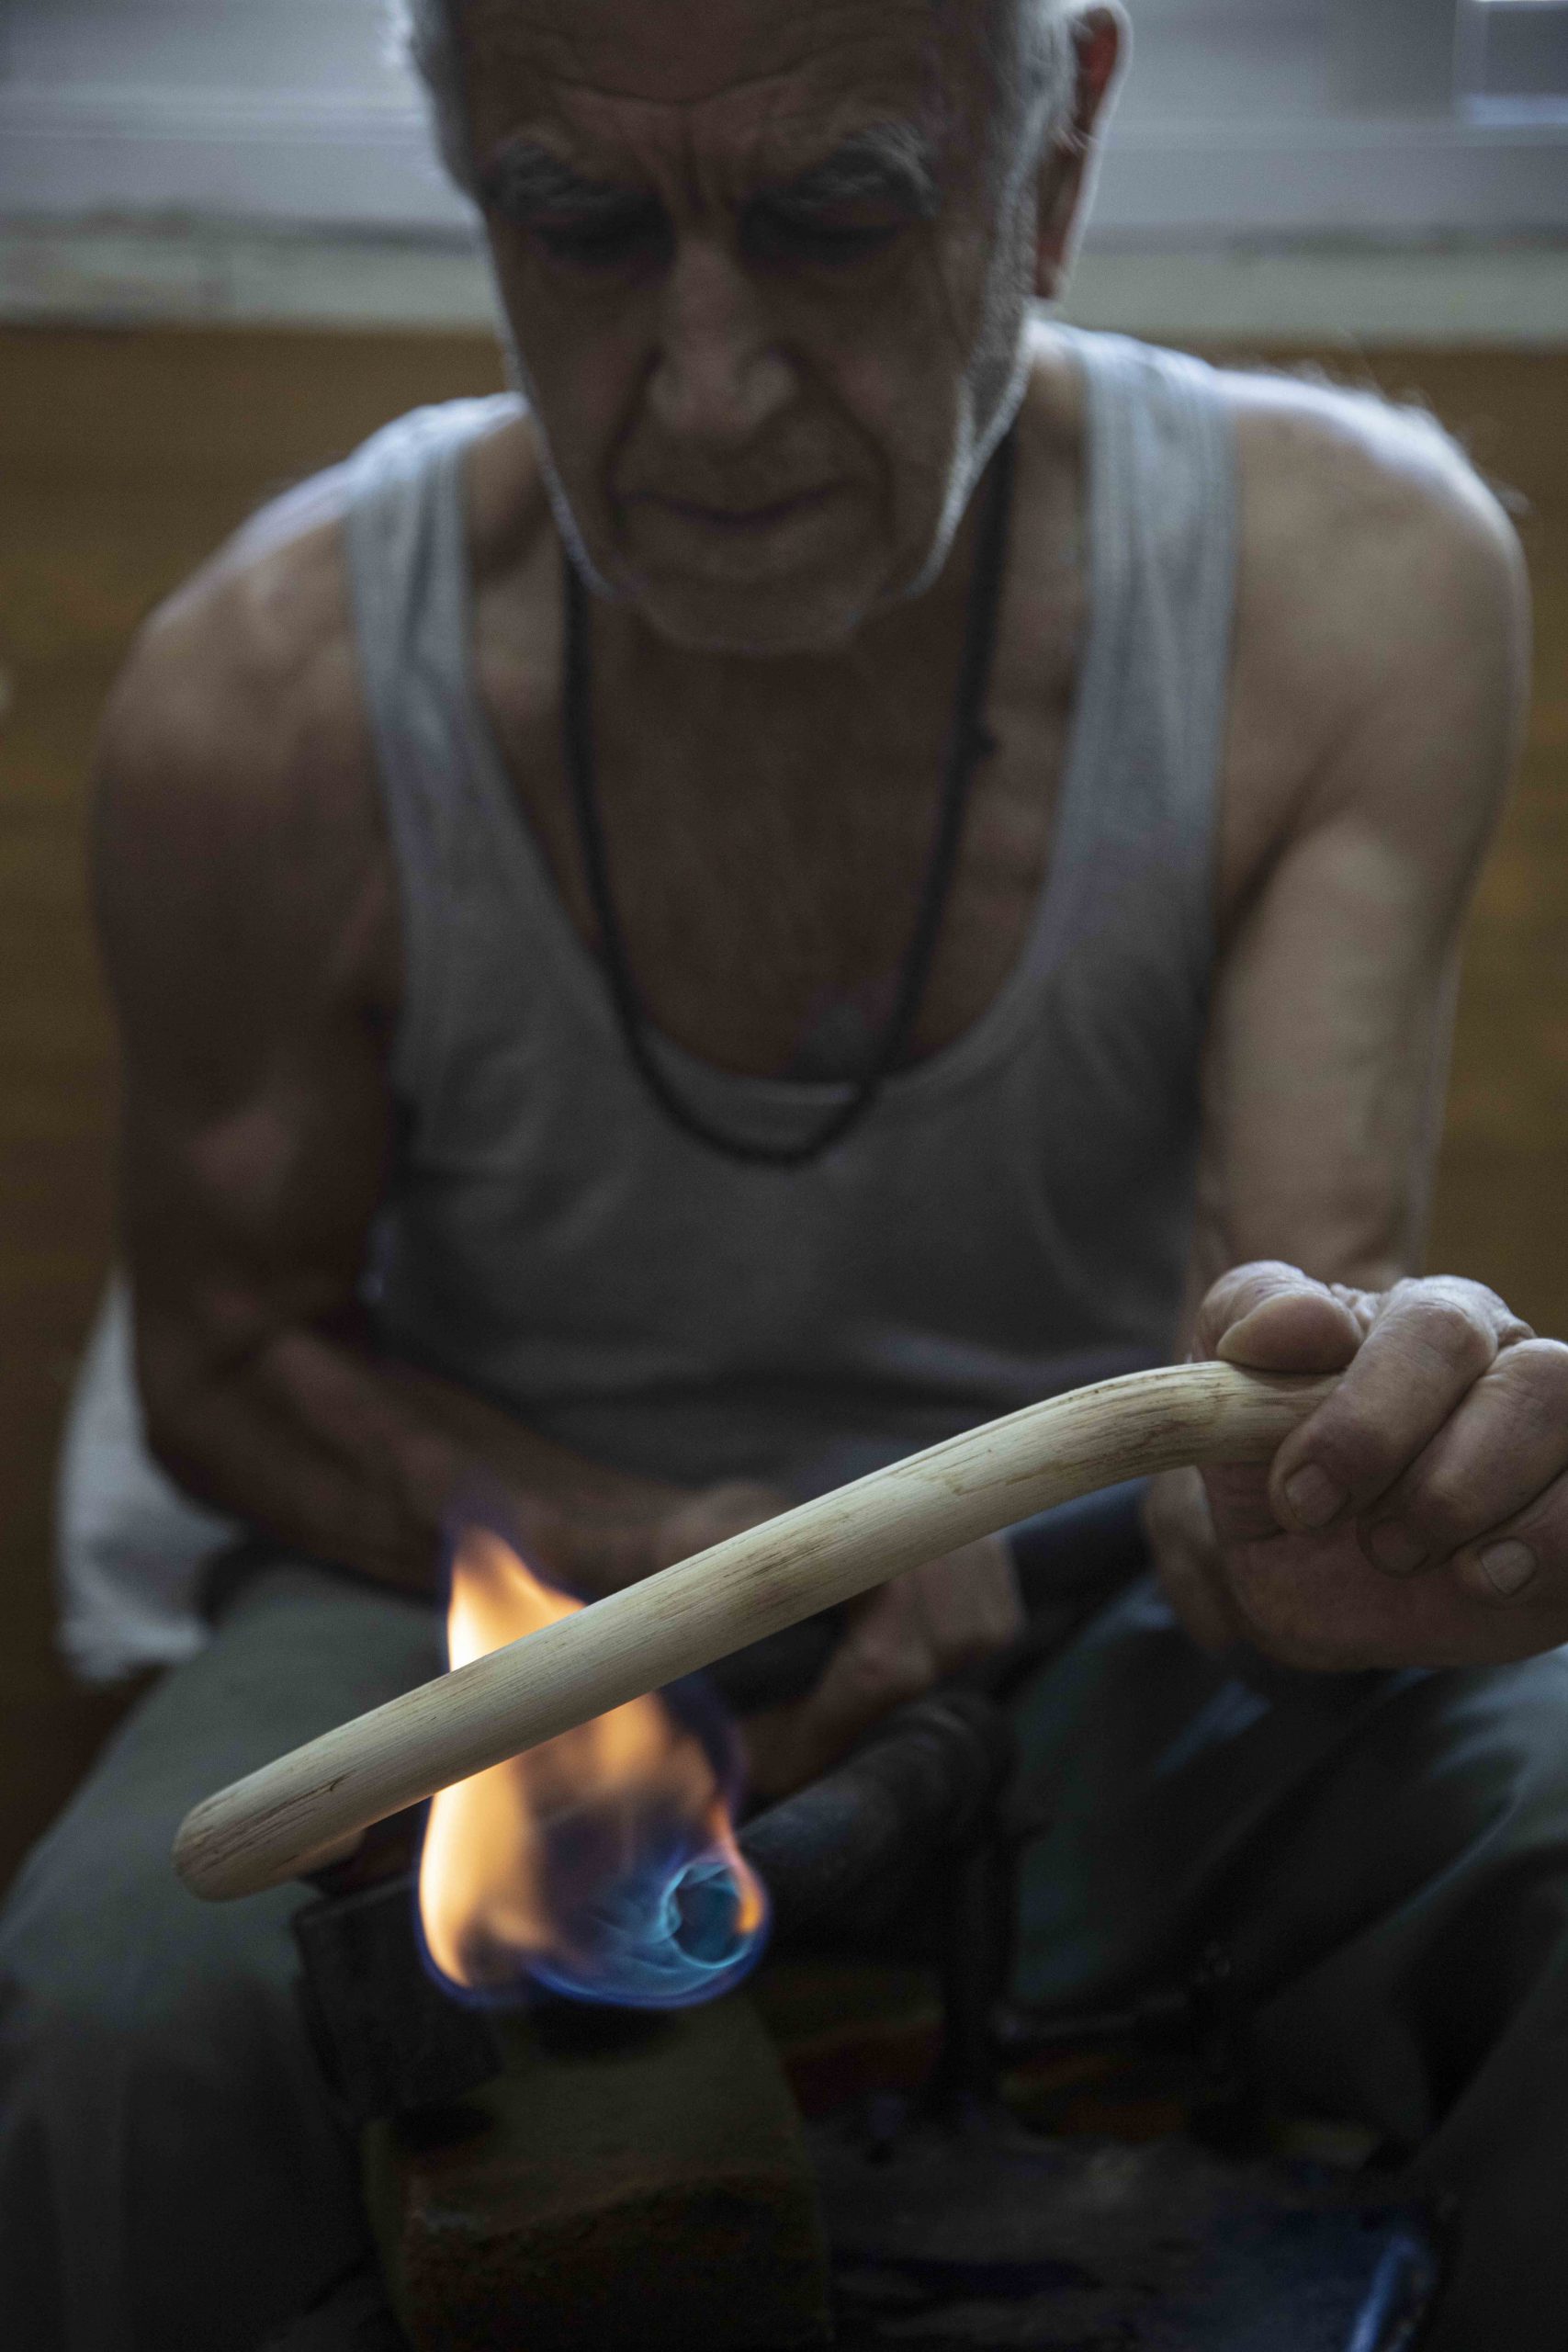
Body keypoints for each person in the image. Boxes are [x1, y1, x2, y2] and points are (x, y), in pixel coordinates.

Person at [1, 0, 1559, 2344]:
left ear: (1051, 161)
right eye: (582, 224)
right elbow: (228, 1360)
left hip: (1106, 1617)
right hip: (475, 1565)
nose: (706, 388)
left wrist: (1352, 1515)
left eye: (837, 214)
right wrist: (638, 1553)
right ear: (469, 185)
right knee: (113, 2027)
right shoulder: (275, 686)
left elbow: (1248, 1385)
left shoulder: (1340, 585)